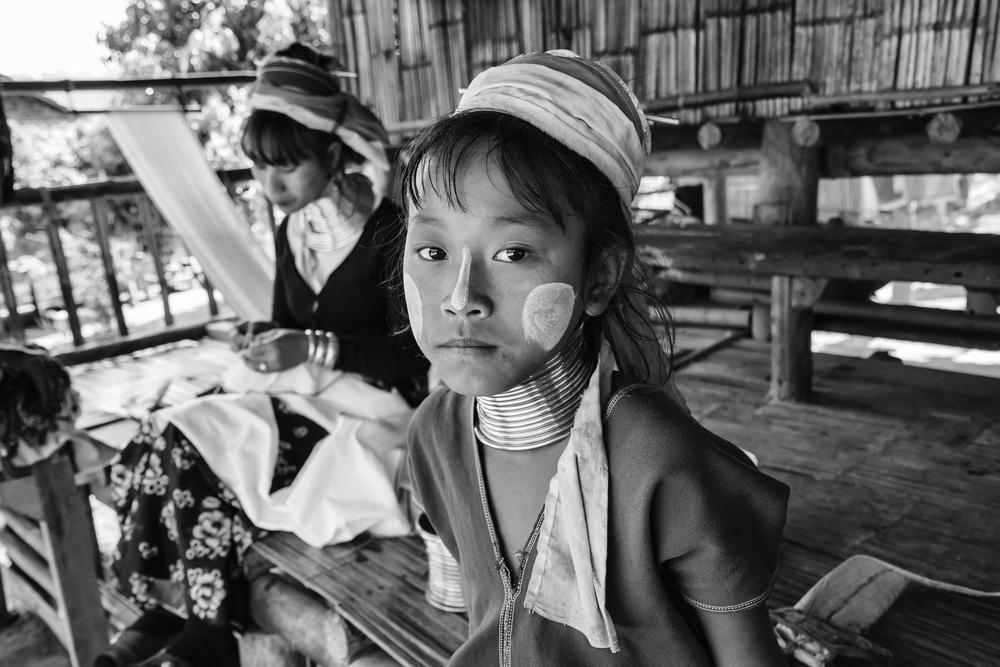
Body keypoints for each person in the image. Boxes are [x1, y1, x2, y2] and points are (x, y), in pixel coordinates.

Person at [401, 50, 790, 666]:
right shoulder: (433, 437)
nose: (460, 298)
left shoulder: (659, 460)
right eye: (431, 251)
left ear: (600, 279)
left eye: (514, 253)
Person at [98, 43, 428, 667]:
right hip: (303, 395)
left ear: (332, 154)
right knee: (160, 434)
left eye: (287, 167)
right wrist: (265, 335)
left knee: (193, 438)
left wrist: (310, 346)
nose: (269, 185)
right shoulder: (291, 229)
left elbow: (413, 356)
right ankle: (185, 613)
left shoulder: (392, 230)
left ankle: (196, 624)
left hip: (370, 412)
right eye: (257, 167)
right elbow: (285, 324)